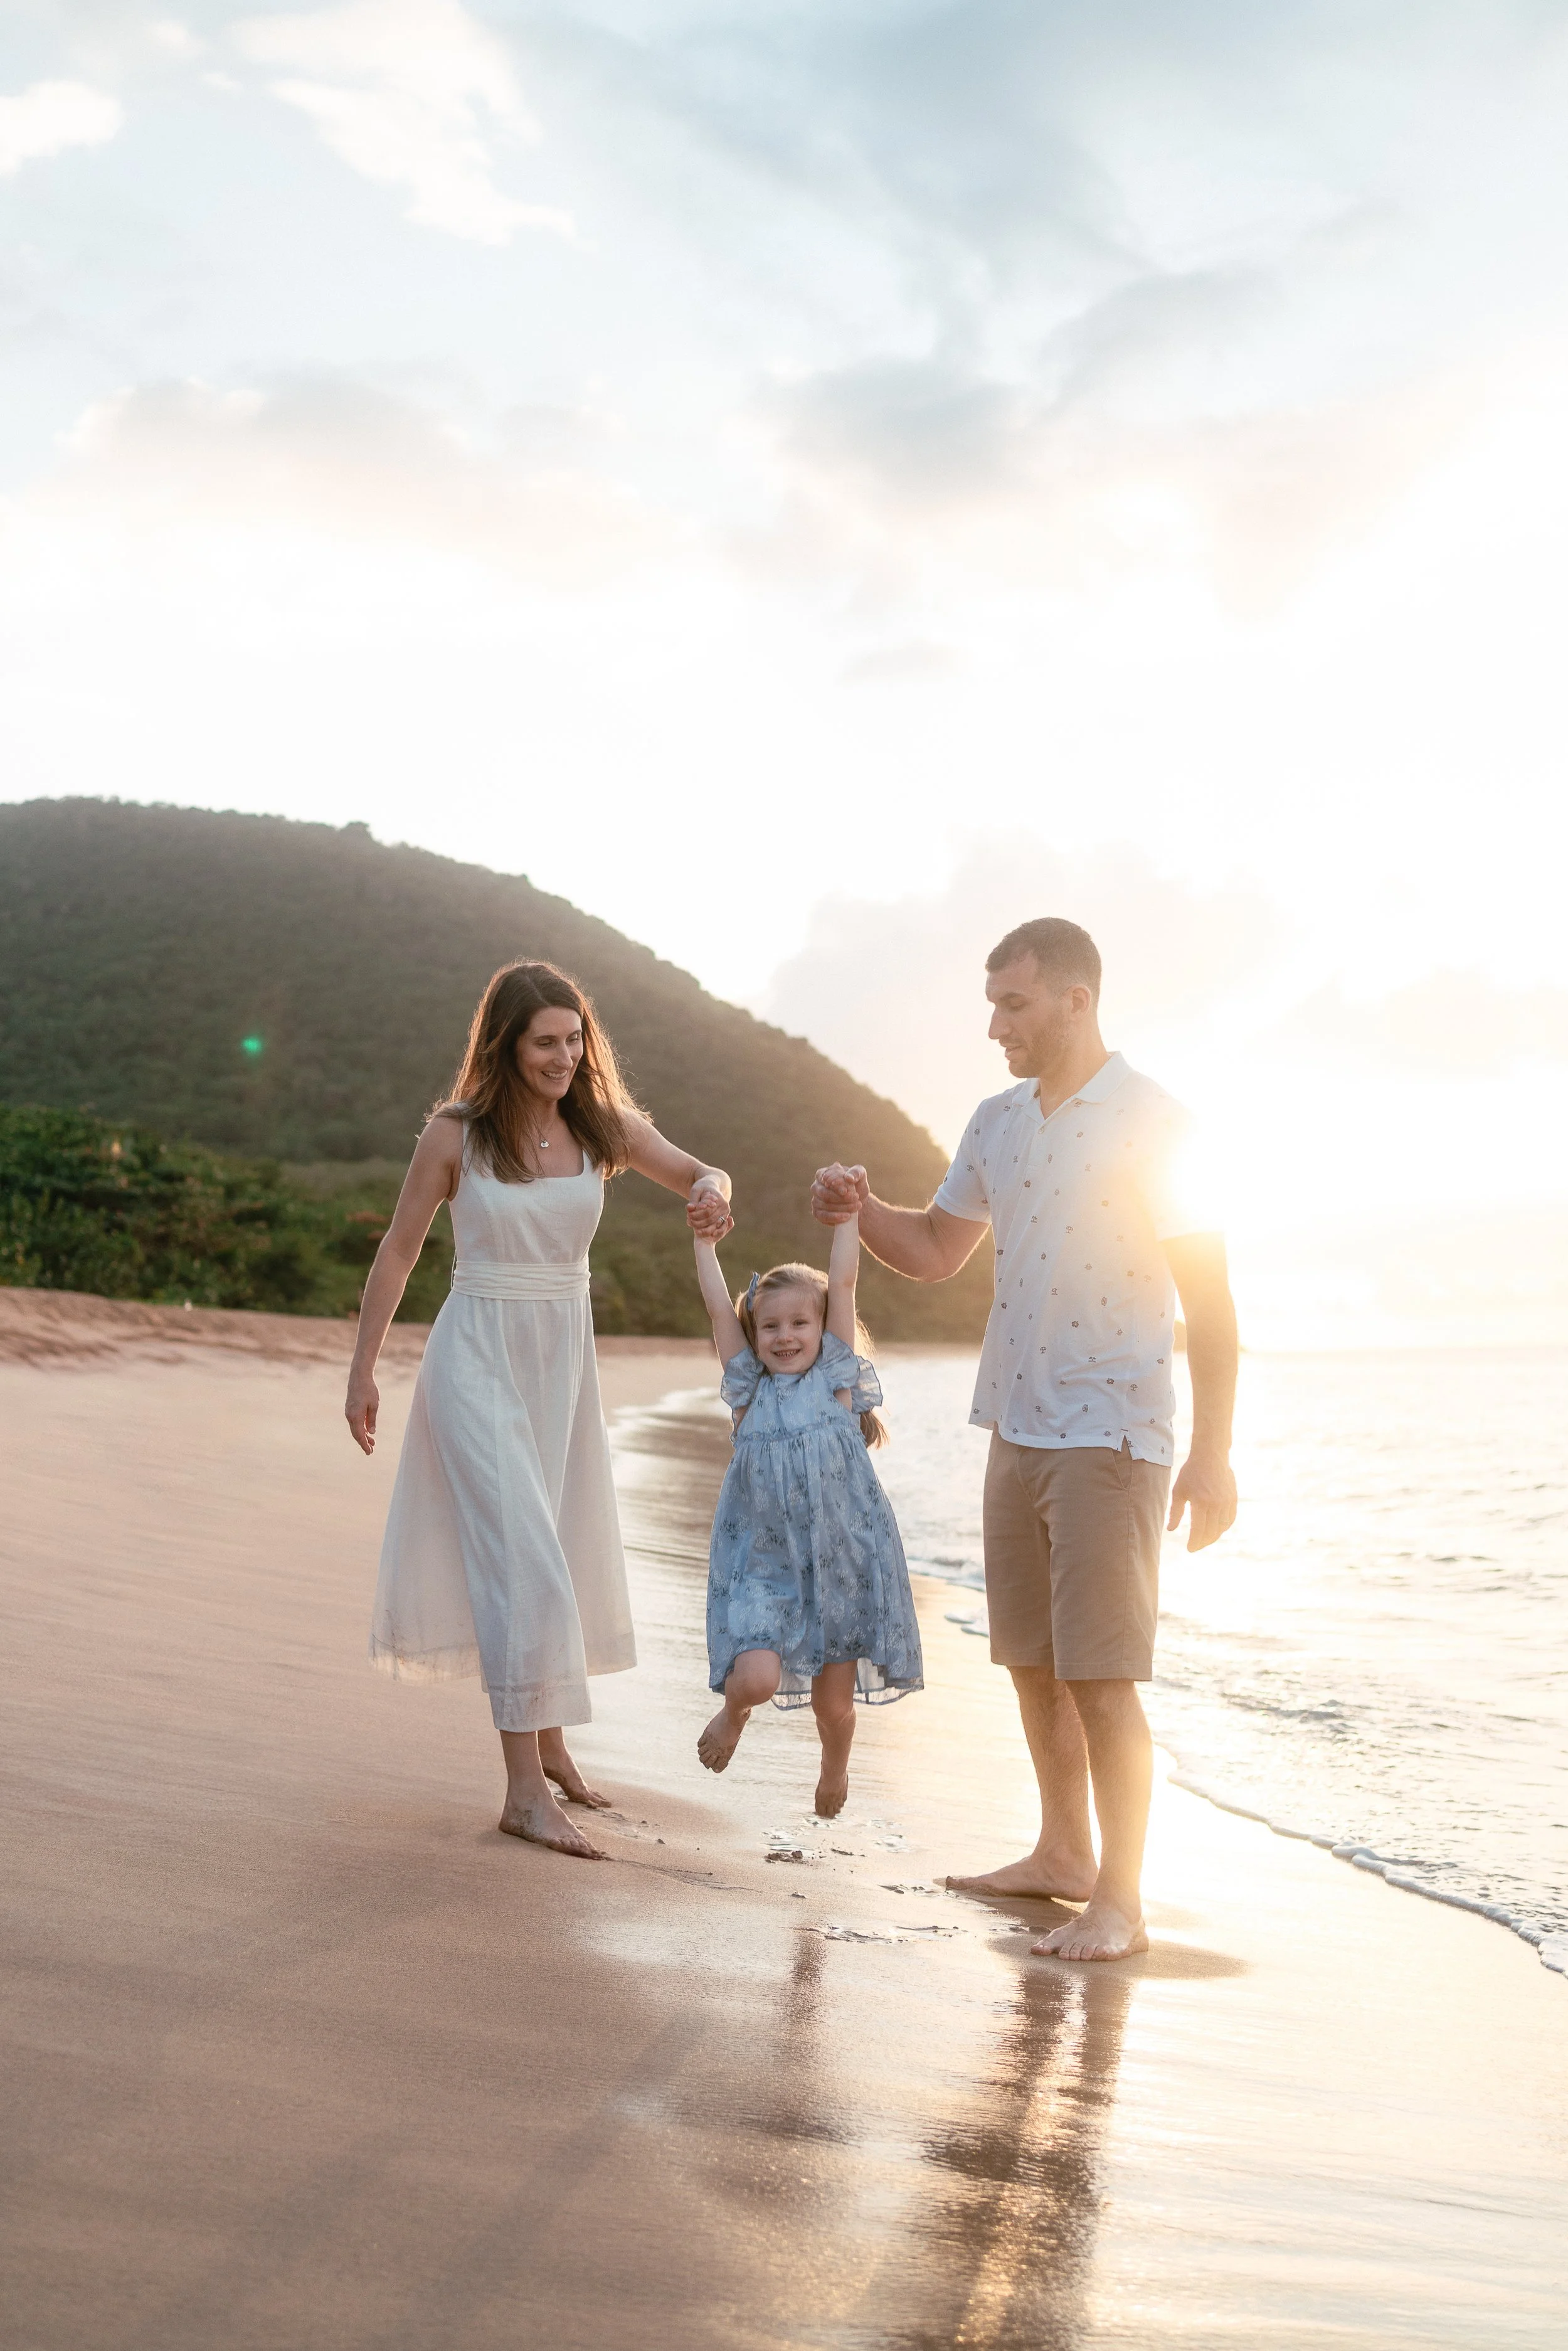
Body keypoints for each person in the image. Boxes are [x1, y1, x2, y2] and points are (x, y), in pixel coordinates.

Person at [812, 917, 1238, 1959]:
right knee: (1034, 1666)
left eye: (1014, 1003)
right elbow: (935, 1249)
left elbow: (1214, 1307)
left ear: (1076, 1000)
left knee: (1102, 1676)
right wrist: (863, 1211)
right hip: (1016, 1422)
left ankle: (1120, 1903)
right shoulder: (996, 1122)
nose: (996, 1023)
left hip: (1114, 1433)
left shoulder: (1157, 1123)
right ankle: (1062, 1854)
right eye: (993, 1002)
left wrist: (1214, 1453)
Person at [346, 958, 734, 1859]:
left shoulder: (602, 1127)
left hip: (561, 1363)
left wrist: (713, 1195)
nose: (564, 1057)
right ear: (506, 1045)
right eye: (545, 1042)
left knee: (553, 1543)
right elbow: (399, 1253)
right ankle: (523, 1791)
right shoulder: (457, 1135)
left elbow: (702, 1171)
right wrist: (363, 1369)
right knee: (524, 1560)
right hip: (475, 1356)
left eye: (575, 1039)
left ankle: (553, 1750)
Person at [691, 1213, 923, 1820]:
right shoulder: (748, 1393)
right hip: (765, 1570)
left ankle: (834, 1767)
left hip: (839, 1566)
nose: (784, 1335)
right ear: (755, 1334)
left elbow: (843, 1284)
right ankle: (734, 1714)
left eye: (799, 1322)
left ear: (823, 1329)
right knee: (757, 1679)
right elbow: (720, 1313)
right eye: (769, 1326)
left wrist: (848, 1220)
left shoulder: (837, 1387)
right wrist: (704, 1244)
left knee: (834, 1707)